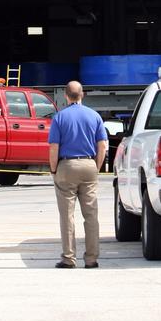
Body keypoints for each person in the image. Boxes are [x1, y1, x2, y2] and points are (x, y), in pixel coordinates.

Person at [48, 80, 108, 269]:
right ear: (82, 95)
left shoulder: (60, 117)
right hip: (89, 164)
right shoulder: (95, 116)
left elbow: (53, 147)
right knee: (91, 215)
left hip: (67, 165)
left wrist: (53, 169)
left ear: (66, 96)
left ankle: (69, 258)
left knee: (67, 215)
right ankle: (91, 259)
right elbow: (103, 145)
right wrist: (96, 166)